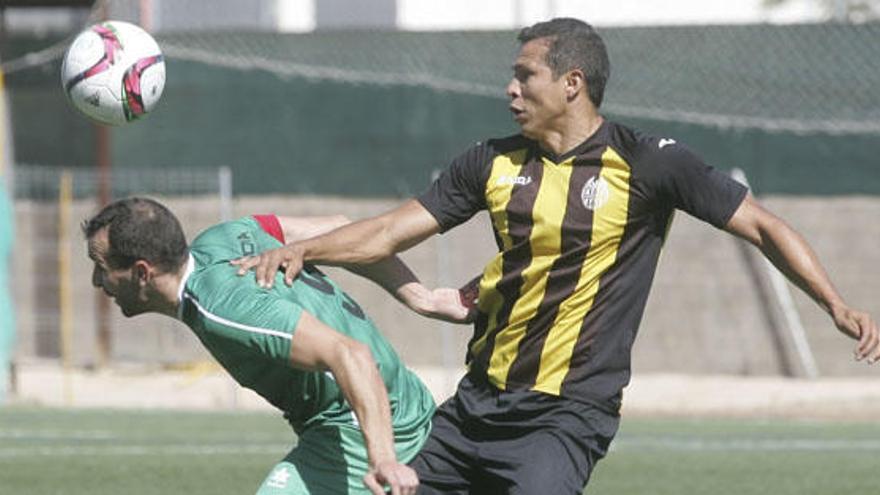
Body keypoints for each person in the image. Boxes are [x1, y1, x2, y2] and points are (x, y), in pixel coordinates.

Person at [234, 17, 880, 494]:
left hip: (564, 415)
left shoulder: (649, 162)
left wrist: (834, 302)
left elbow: (763, 227)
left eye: (524, 75)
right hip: (474, 407)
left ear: (572, 83)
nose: (510, 89)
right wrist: (305, 249)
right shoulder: (489, 161)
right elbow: (388, 234)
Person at [83, 197, 471, 495]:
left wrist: (383, 458)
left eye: (101, 266)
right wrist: (419, 296)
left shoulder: (223, 310)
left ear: (141, 273)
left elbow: (350, 354)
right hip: (395, 401)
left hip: (358, 427)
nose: (97, 281)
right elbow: (340, 228)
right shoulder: (226, 236)